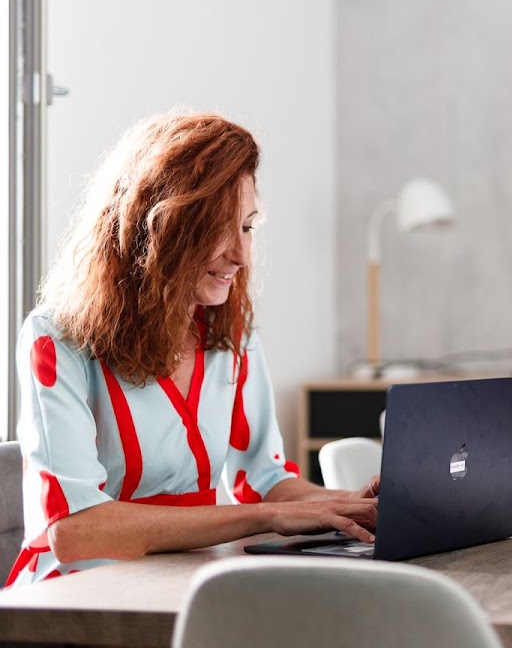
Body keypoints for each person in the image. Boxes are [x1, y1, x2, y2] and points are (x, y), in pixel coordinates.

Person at [6, 112, 377, 587]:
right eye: (220, 229)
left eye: (247, 227)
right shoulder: (57, 339)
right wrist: (264, 517)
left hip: (185, 583)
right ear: (162, 226)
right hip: (75, 600)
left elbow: (262, 483)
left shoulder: (233, 338)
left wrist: (351, 507)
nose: (242, 257)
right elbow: (76, 532)